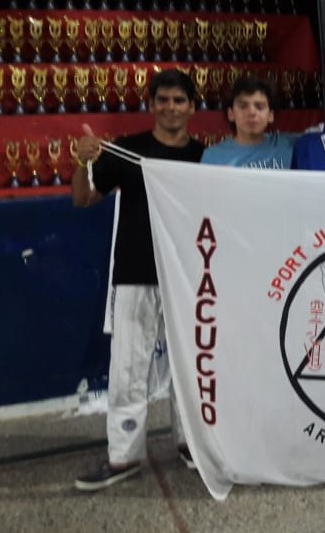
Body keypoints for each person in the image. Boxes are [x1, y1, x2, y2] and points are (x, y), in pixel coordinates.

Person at [71, 69, 206, 491]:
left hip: (188, 277)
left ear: (192, 107)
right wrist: (82, 160)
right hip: (135, 274)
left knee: (193, 368)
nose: (170, 107)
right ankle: (124, 455)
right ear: (151, 105)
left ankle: (194, 445)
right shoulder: (126, 151)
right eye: (162, 100)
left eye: (179, 100)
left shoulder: (205, 158)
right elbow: (82, 198)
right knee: (128, 367)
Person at [201, 76, 298, 169]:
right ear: (231, 114)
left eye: (259, 107)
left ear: (270, 115)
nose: (252, 112)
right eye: (243, 106)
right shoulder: (212, 157)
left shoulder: (291, 144)